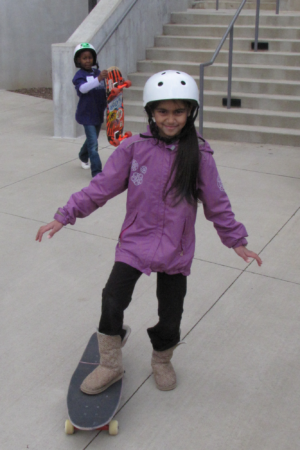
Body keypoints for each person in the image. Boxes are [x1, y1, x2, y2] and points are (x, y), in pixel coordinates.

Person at [36, 70, 262, 394]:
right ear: (151, 113)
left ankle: (162, 359)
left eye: (178, 111)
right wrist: (65, 214)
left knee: (171, 313)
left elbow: (217, 202)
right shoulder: (134, 149)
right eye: (163, 111)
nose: (171, 119)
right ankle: (110, 364)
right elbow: (101, 187)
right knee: (112, 299)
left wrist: (236, 240)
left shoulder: (199, 155)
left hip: (176, 250)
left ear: (190, 112)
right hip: (135, 243)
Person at [73, 43, 108, 177]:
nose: (88, 60)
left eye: (90, 57)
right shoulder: (79, 75)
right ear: (78, 60)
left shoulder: (97, 73)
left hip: (98, 113)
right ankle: (97, 173)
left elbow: (106, 88)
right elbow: (83, 89)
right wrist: (98, 79)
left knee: (91, 140)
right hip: (87, 114)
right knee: (93, 144)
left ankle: (83, 155)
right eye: (84, 58)